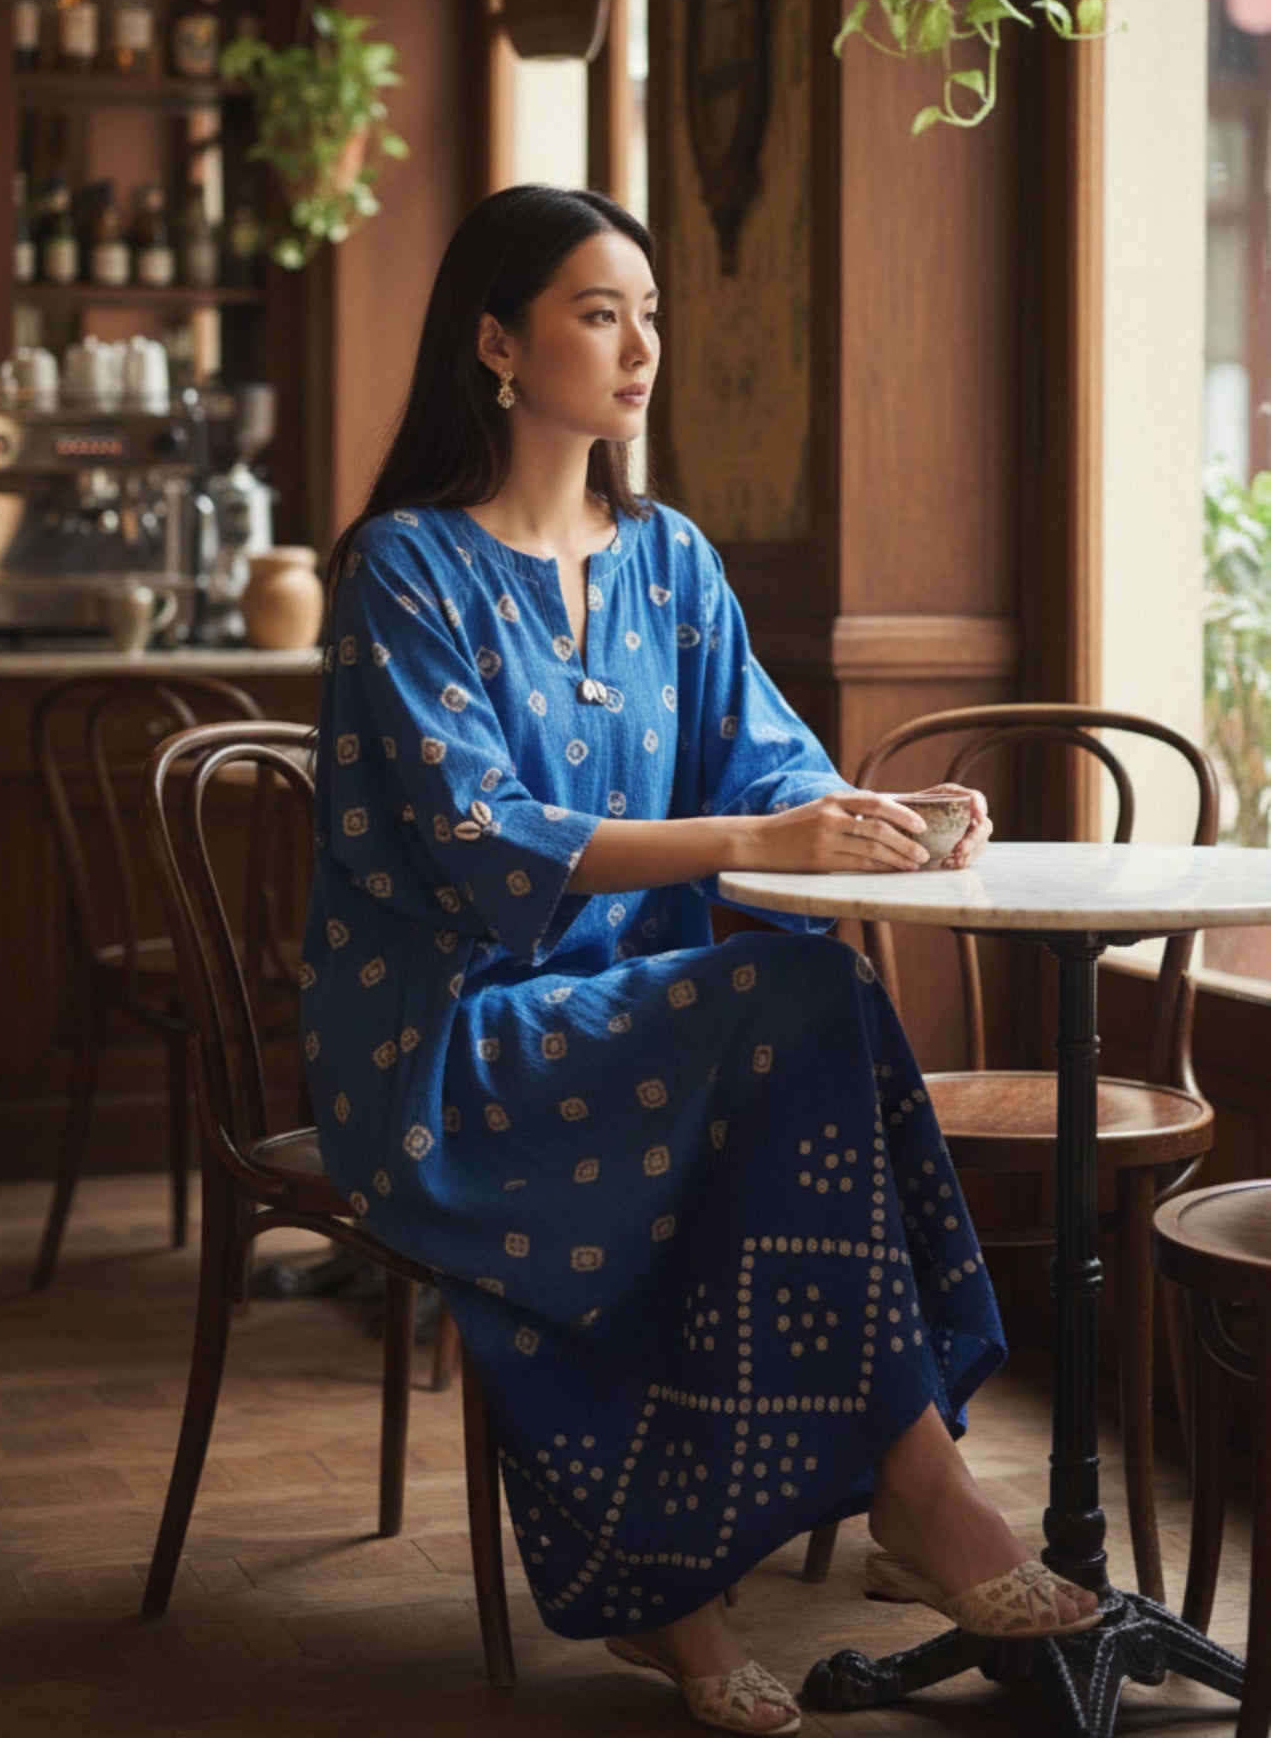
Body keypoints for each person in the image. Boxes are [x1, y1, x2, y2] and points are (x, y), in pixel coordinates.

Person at [300, 185, 1098, 1735]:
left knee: (795, 1018)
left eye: (649, 314)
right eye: (599, 313)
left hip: (642, 1022)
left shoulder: (668, 559)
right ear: (496, 344)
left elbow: (769, 772)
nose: (639, 348)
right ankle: (904, 1495)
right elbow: (477, 832)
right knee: (790, 1010)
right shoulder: (404, 568)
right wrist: (764, 840)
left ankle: (742, 1566)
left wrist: (884, 821)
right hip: (453, 1043)